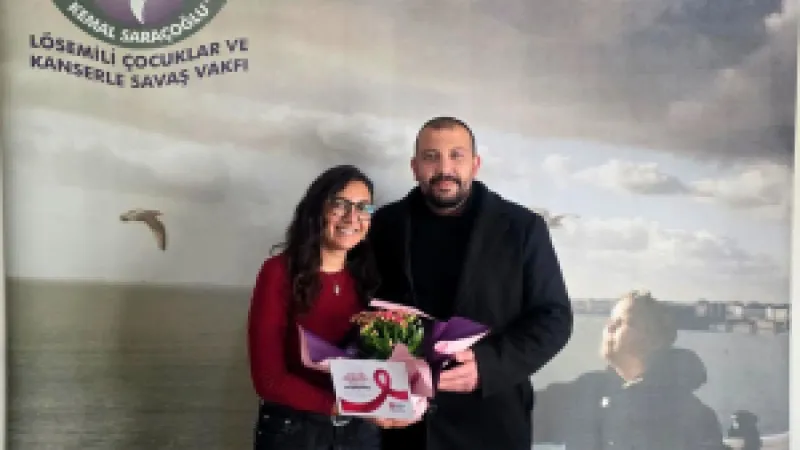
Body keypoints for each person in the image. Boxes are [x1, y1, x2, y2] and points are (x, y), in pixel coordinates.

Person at [367, 116, 575, 450]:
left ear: (475, 165)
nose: (444, 168)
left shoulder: (523, 228)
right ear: (415, 167)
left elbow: (554, 318)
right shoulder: (383, 224)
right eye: (431, 157)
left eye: (456, 156)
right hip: (402, 429)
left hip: (491, 426)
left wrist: (489, 366)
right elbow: (360, 310)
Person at [247, 164, 385, 450]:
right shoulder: (278, 272)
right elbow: (268, 380)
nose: (352, 217)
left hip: (360, 432)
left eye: (363, 208)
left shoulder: (368, 277)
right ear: (317, 209)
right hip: (295, 432)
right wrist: (339, 406)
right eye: (340, 204)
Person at [532, 290, 725, 450]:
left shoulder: (691, 415)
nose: (609, 326)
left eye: (622, 321)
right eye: (610, 320)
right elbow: (522, 417)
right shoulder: (586, 392)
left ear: (653, 339)